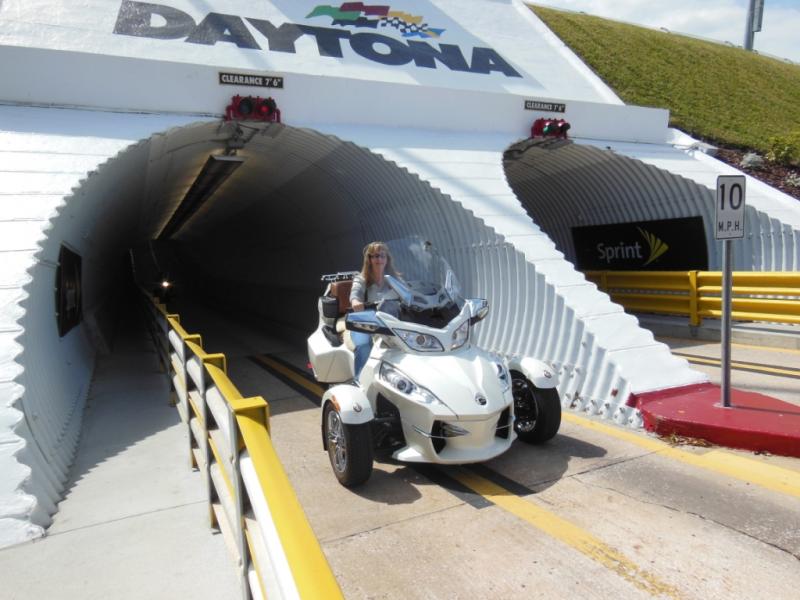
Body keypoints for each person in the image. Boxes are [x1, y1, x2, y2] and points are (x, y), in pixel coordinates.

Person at [349, 241, 399, 379]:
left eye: (383, 256)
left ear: (387, 259)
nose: (380, 259)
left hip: (389, 322)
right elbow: (355, 294)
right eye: (376, 256)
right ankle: (359, 379)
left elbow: (408, 294)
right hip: (364, 322)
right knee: (364, 345)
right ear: (369, 259)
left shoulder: (394, 279)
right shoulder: (361, 279)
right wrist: (356, 302)